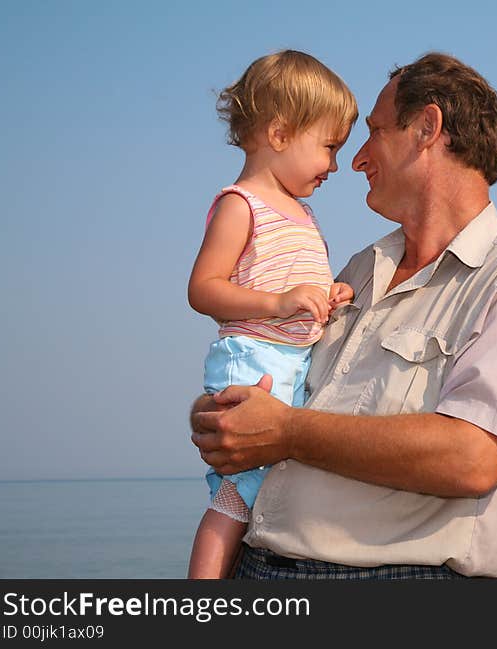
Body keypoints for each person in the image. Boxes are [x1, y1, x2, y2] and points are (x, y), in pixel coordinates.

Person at [191, 52, 497, 579]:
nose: (355, 159)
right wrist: (225, 417)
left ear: (427, 129)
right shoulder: (359, 269)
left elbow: (473, 459)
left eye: (374, 132)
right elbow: (277, 386)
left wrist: (285, 431)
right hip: (257, 566)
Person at [185, 49, 358, 579]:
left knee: (263, 495)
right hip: (254, 359)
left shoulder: (302, 213)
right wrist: (279, 304)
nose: (334, 165)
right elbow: (203, 290)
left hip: (291, 363)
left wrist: (328, 296)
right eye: (328, 147)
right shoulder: (242, 204)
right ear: (280, 134)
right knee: (234, 500)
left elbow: (289, 283)